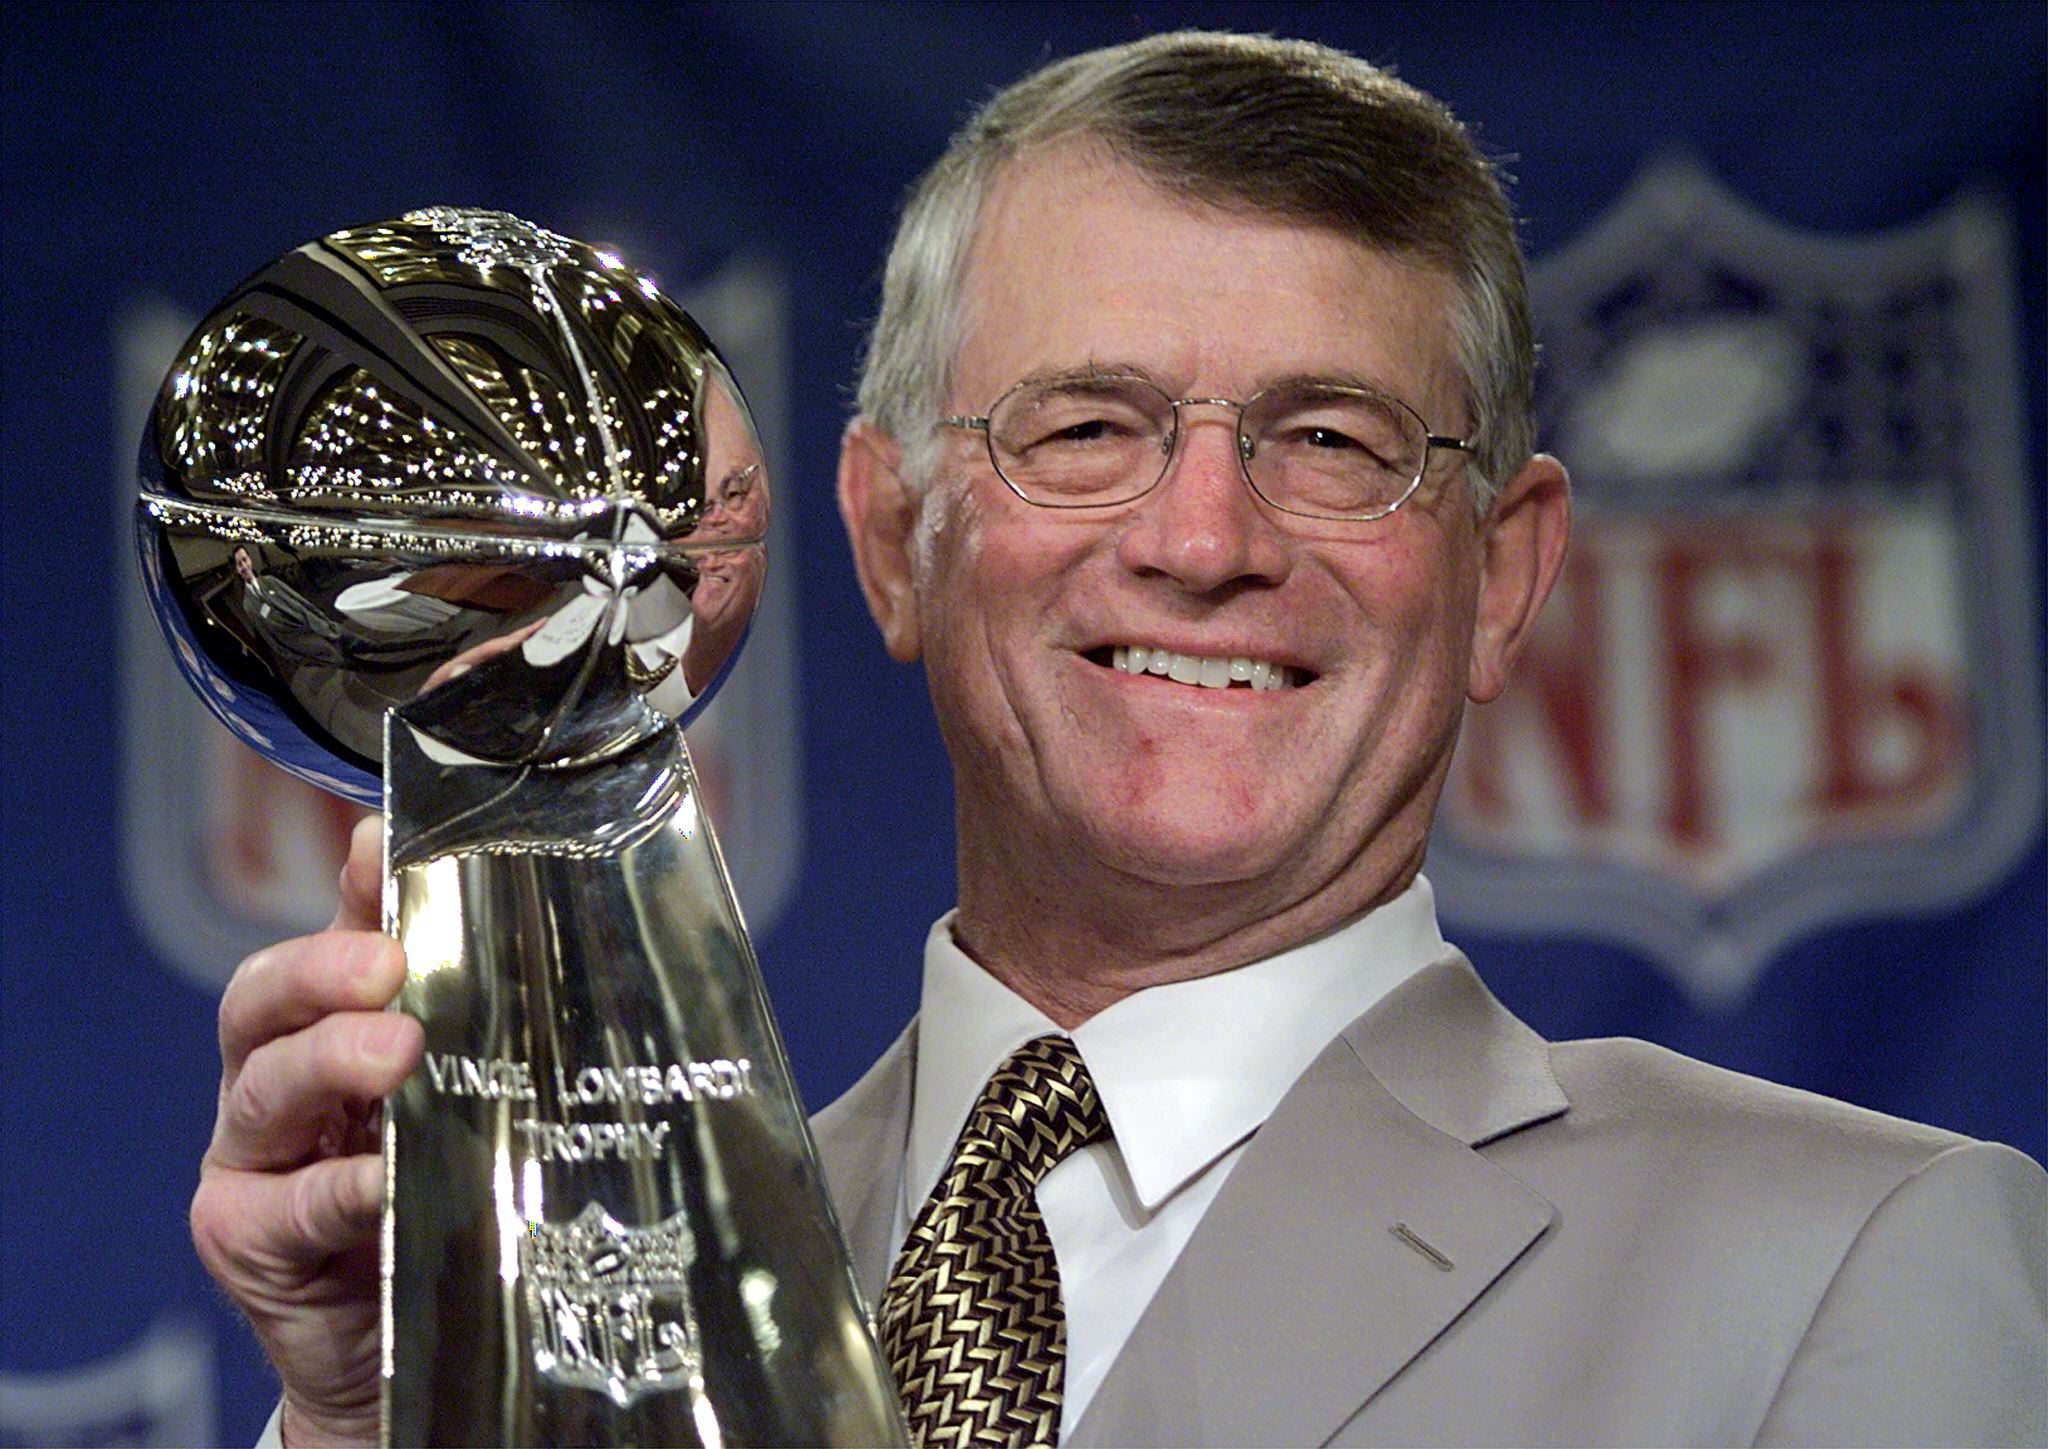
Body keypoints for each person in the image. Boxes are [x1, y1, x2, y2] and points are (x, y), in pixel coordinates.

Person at [194, 30, 2048, 1449]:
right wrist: (391, 1409)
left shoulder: (1854, 1258)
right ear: (886, 533)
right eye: (1085, 428)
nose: (1205, 540)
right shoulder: (607, 1273)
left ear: (1501, 574)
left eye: (1335, 440)